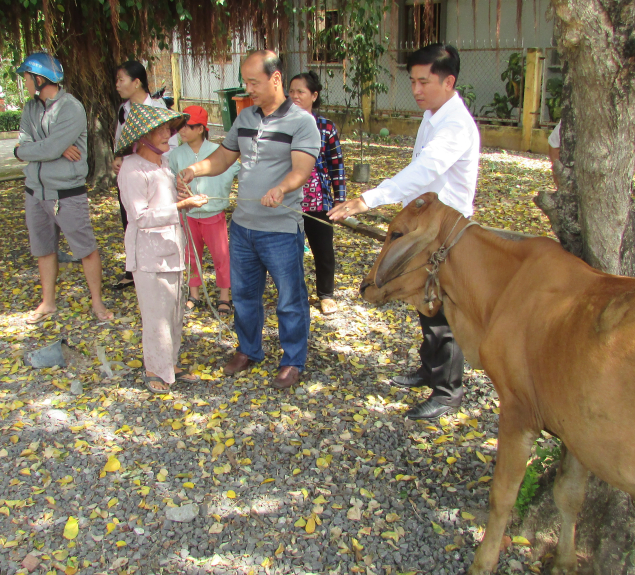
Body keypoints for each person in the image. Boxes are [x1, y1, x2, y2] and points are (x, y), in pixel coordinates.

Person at [328, 44, 479, 420]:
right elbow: (420, 172)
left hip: (449, 232)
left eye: (423, 81)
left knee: (442, 309)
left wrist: (371, 198)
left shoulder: (456, 124)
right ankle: (430, 370)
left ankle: (448, 390)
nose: (416, 89)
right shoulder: (434, 114)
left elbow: (427, 169)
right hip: (427, 224)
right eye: (412, 80)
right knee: (423, 300)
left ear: (449, 81)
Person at [178, 50, 320, 390]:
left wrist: (281, 188)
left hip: (281, 230)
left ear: (276, 78)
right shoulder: (245, 118)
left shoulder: (302, 122)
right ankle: (249, 349)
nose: (248, 88)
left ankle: (292, 360)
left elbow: (301, 170)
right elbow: (224, 157)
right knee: (243, 296)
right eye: (245, 82)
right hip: (242, 228)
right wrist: (193, 169)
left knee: (290, 298)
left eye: (253, 82)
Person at [13, 53, 113, 324]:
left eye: (26, 77)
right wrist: (47, 149)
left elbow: (46, 147)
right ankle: (48, 302)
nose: (24, 82)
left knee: (85, 248)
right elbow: (23, 145)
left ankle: (97, 302)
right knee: (43, 248)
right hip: (35, 190)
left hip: (67, 192)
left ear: (39, 78)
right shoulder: (29, 108)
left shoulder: (71, 108)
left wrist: (45, 148)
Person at [115, 104, 208, 392]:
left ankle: (170, 363)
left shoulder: (163, 165)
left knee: (174, 311)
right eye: (161, 130)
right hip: (148, 254)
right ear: (142, 136)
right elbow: (139, 216)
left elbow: (166, 201)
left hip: (171, 249)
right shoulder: (131, 168)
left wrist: (180, 194)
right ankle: (155, 368)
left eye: (169, 128)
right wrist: (180, 205)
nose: (168, 133)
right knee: (156, 314)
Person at [110, 61, 177, 291]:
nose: (117, 85)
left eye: (121, 79)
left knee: (159, 219)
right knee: (135, 220)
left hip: (157, 175)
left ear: (137, 82)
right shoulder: (123, 110)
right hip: (134, 176)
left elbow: (171, 146)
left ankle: (160, 267)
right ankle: (137, 268)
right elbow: (122, 144)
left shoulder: (157, 107)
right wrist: (120, 157)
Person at [167, 105, 240, 313]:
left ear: (201, 129)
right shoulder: (176, 155)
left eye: (188, 126)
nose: (182, 131)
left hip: (213, 214)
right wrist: (177, 189)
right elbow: (171, 179)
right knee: (190, 254)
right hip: (188, 215)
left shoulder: (218, 152)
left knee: (221, 255)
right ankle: (194, 294)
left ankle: (224, 296)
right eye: (180, 126)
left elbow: (238, 169)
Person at [288, 71, 346, 315]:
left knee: (323, 249)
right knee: (290, 251)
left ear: (314, 95)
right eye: (291, 92)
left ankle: (325, 294)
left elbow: (336, 165)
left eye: (300, 92)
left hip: (319, 201)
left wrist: (340, 200)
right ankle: (294, 295)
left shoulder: (326, 127)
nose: (295, 96)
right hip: (289, 200)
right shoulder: (281, 124)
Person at [547, 118, 635, 189]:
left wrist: (630, 170)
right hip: (577, 182)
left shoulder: (624, 120)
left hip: (611, 187)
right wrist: (560, 181)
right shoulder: (572, 118)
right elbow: (554, 145)